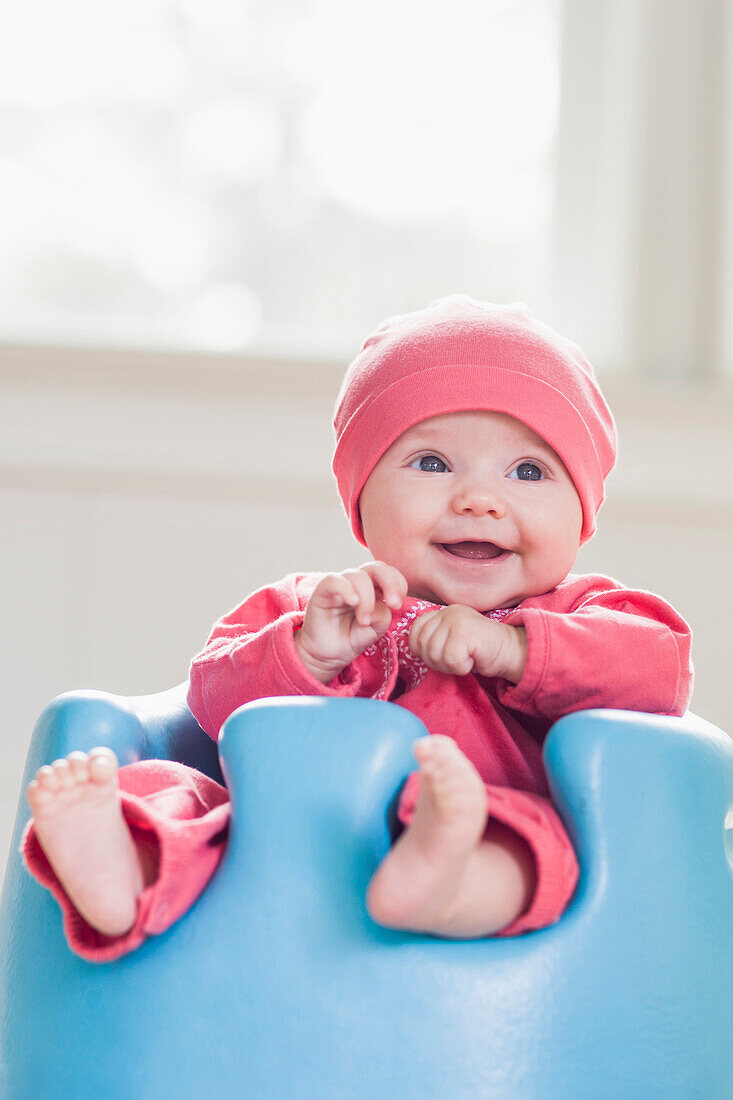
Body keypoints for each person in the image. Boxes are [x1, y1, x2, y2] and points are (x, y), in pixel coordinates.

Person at [21, 296, 693, 961]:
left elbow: (658, 670)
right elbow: (208, 701)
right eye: (432, 463)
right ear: (361, 501)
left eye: (528, 471)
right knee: (175, 789)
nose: (478, 499)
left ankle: (443, 876)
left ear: (580, 515)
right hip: (288, 836)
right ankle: (125, 869)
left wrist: (512, 646)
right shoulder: (323, 604)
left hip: (487, 813)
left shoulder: (580, 611)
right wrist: (308, 653)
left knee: (532, 849)